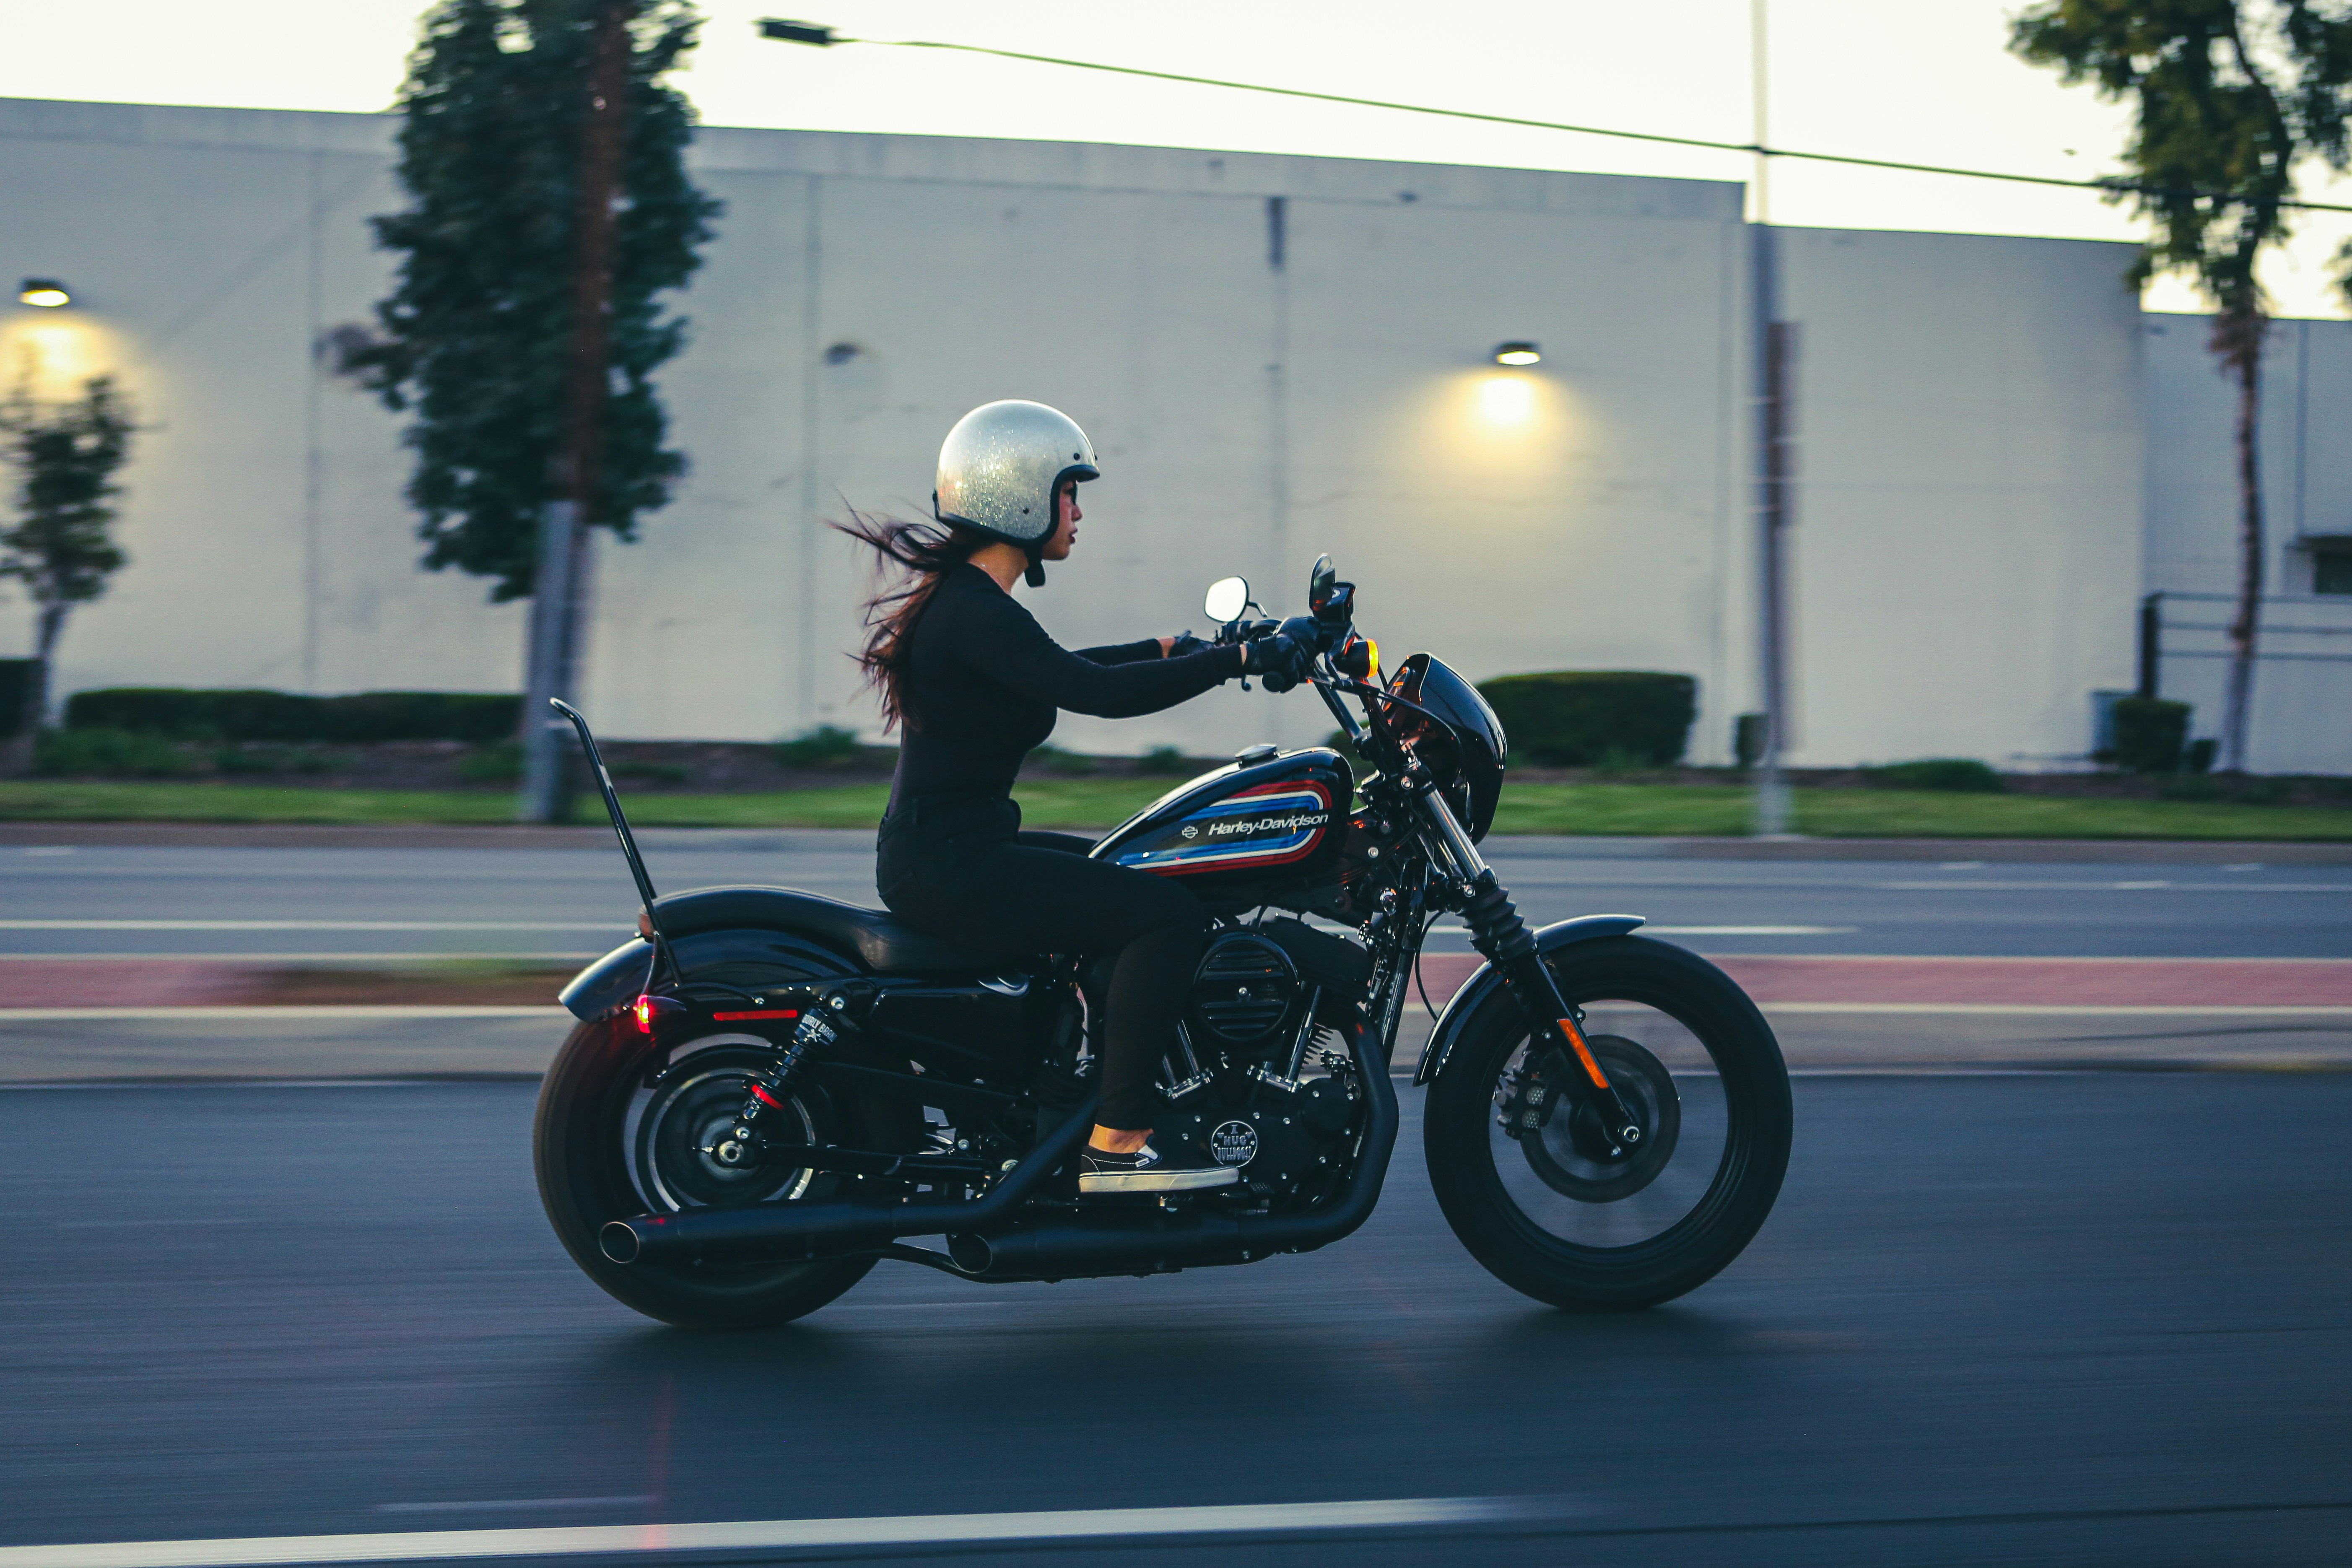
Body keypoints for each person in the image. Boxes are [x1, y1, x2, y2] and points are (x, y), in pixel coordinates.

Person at [842, 400, 1310, 1194]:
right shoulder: (974, 612)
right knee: (1167, 917)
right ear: (1019, 498)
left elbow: (1059, 664)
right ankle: (1118, 1143)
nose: (1078, 510)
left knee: (1143, 877)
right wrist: (1237, 658)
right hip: (952, 865)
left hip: (959, 850)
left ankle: (1087, 1088)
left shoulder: (974, 607)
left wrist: (1177, 648)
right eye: (1069, 492)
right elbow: (1093, 692)